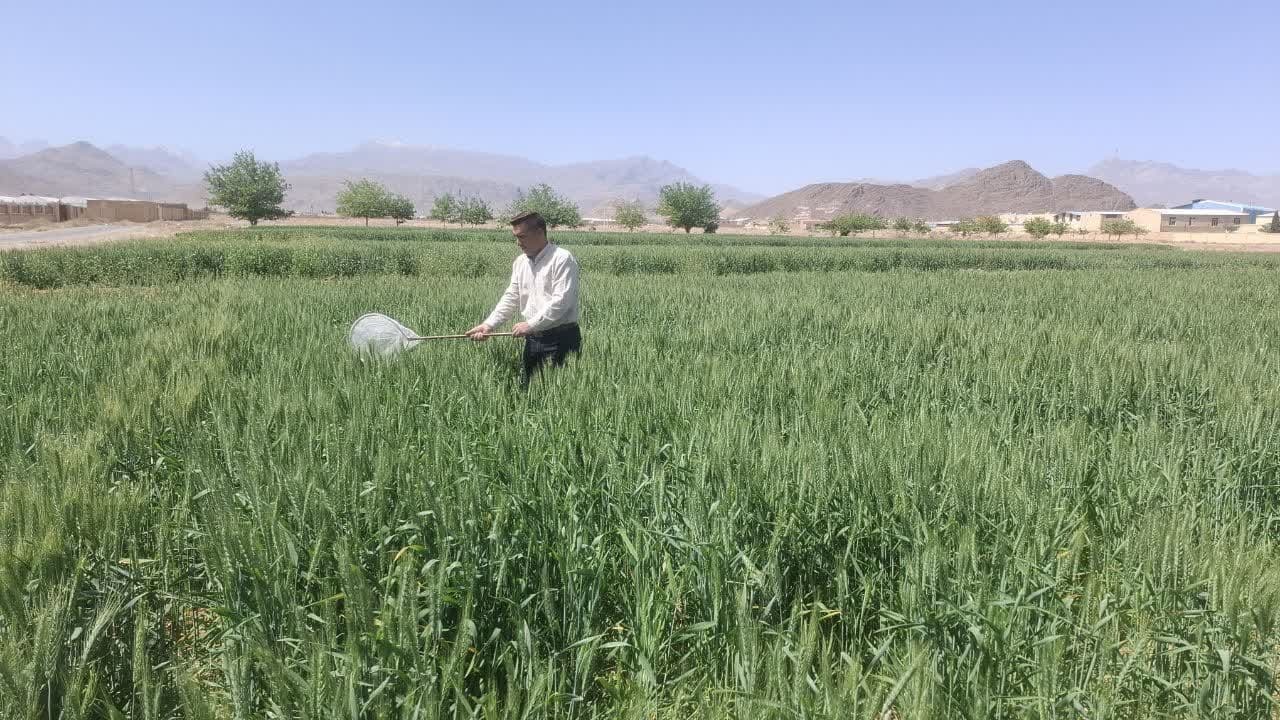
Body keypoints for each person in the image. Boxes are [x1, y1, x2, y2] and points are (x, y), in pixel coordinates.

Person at [466, 211, 581, 384]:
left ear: (540, 233)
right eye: (516, 237)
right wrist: (488, 325)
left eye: (522, 237)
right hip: (533, 341)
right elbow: (511, 296)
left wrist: (531, 324)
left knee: (563, 398)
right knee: (529, 395)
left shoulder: (562, 259)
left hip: (562, 340)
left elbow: (561, 302)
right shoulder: (520, 262)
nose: (518, 243)